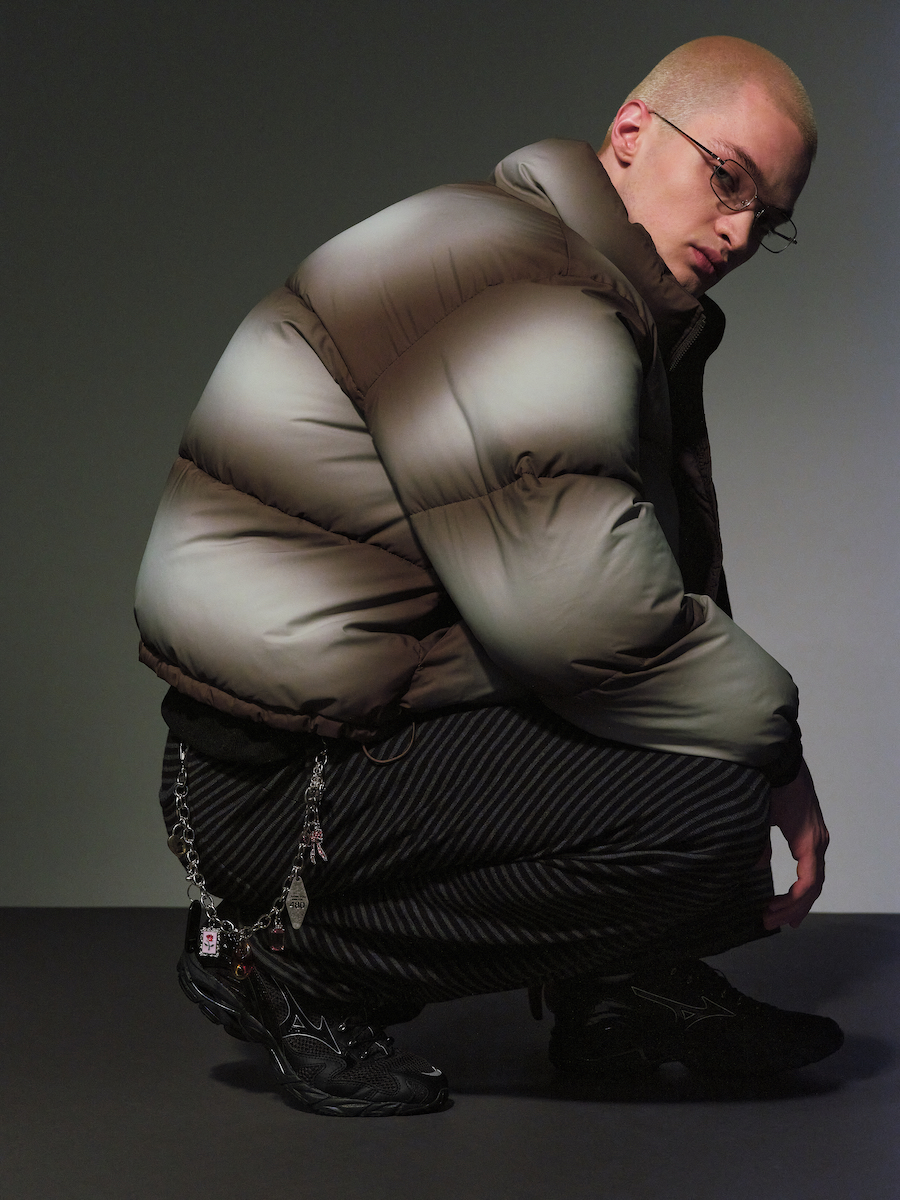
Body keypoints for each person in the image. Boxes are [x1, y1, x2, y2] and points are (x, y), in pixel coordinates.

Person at [135, 36, 841, 1117]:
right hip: (275, 784)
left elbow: (638, 575)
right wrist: (775, 745)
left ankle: (616, 988)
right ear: (632, 131)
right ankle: (282, 958)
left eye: (768, 217)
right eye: (727, 179)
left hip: (341, 734)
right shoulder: (531, 284)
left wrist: (737, 727)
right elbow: (578, 615)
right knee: (712, 803)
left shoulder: (567, 268)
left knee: (706, 750)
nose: (740, 231)